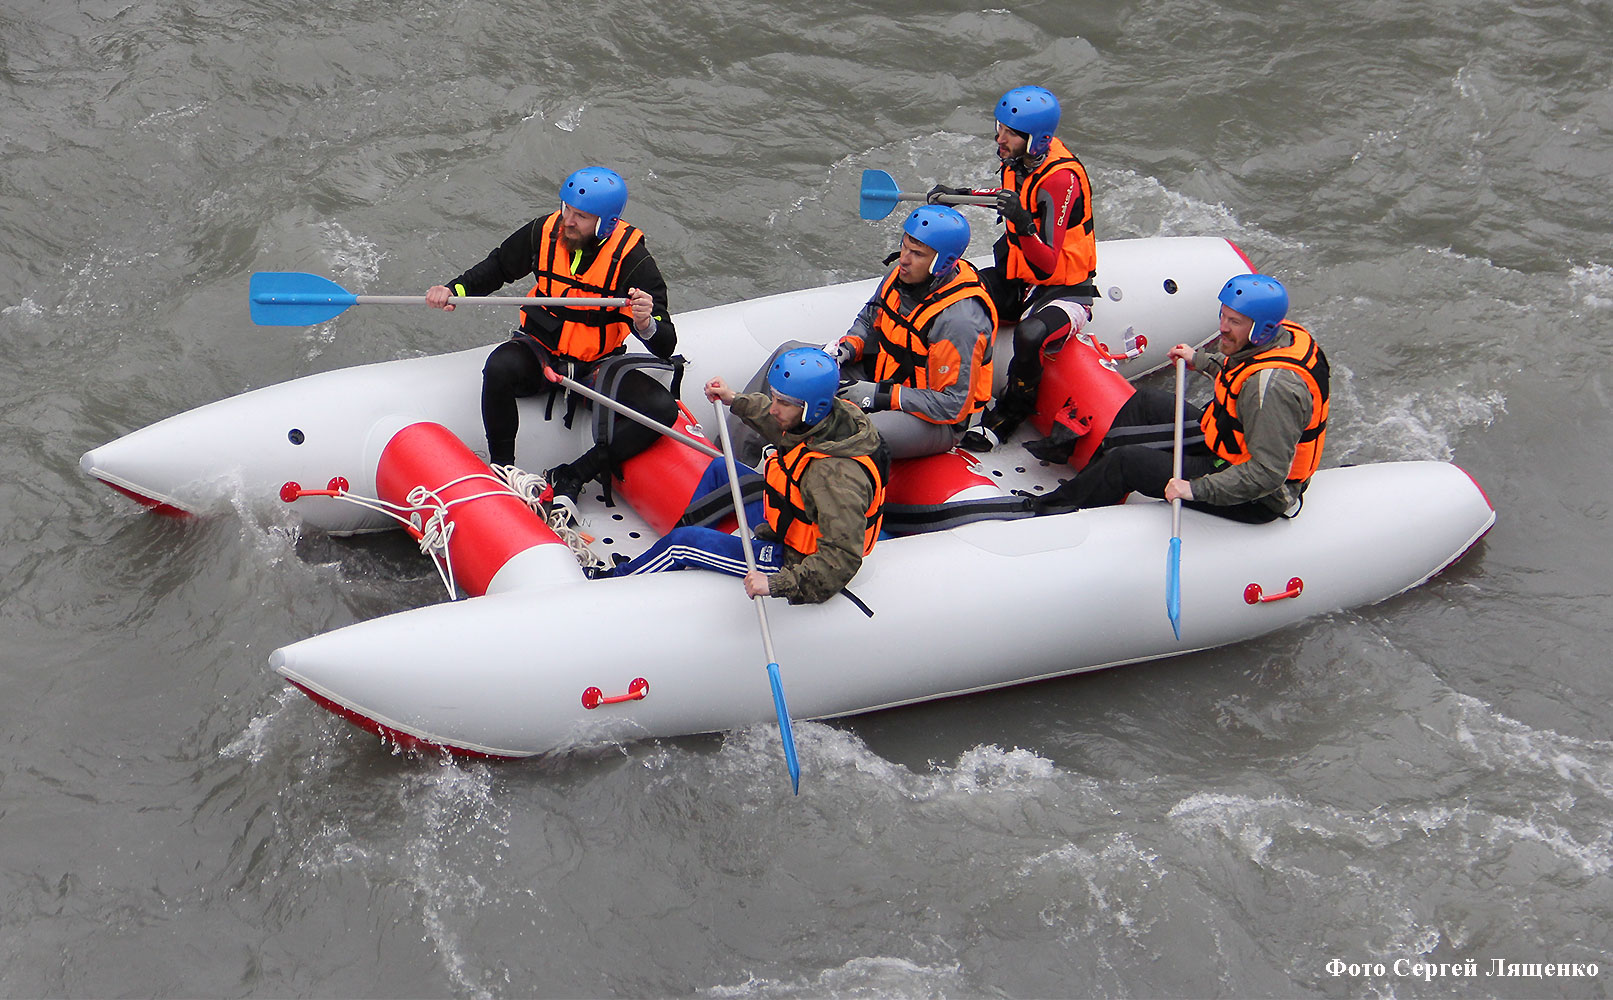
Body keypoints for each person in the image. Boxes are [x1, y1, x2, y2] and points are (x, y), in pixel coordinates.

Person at [425, 166, 678, 501]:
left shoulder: (633, 261)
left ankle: (575, 473)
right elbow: (499, 266)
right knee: (498, 368)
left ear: (606, 224)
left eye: (581, 216)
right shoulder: (543, 232)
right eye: (566, 208)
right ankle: (503, 469)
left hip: (595, 366)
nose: (568, 221)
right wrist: (455, 289)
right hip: (541, 351)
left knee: (662, 411)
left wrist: (645, 324)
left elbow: (666, 343)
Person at [1034, 273, 1329, 523]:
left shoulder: (1272, 391)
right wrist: (1201, 360)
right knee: (1146, 401)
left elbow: (1266, 475)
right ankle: (1094, 485)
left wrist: (1195, 490)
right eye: (1223, 316)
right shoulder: (1274, 339)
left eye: (1234, 322)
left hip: (1255, 493)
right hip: (1230, 443)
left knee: (1127, 461)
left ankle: (1057, 514)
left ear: (1260, 329)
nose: (1223, 327)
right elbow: (1241, 370)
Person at [612, 348, 889, 604]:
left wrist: (776, 584)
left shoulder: (834, 480)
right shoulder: (822, 419)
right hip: (786, 522)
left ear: (810, 408)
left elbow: (840, 560)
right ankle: (678, 560)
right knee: (722, 469)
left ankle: (616, 584)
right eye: (774, 396)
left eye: (783, 402)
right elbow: (776, 422)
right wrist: (735, 400)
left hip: (792, 559)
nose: (773, 407)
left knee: (681, 544)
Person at [928, 85, 1098, 453]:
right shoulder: (1019, 158)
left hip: (1065, 289)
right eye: (999, 127)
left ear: (1037, 140)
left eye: (1010, 133)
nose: (999, 138)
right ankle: (941, 380)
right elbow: (1006, 196)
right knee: (953, 292)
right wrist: (959, 196)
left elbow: (1048, 261)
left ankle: (1008, 415)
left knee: (1031, 335)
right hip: (1020, 279)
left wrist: (1022, 225)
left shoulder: (1060, 179)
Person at [825, 204, 997, 459]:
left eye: (916, 253)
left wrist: (878, 396)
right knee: (790, 356)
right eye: (905, 246)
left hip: (937, 421)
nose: (903, 259)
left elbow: (951, 405)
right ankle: (751, 461)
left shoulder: (959, 321)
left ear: (942, 262)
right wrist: (846, 349)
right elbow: (868, 320)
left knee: (851, 433)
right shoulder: (901, 275)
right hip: (886, 380)